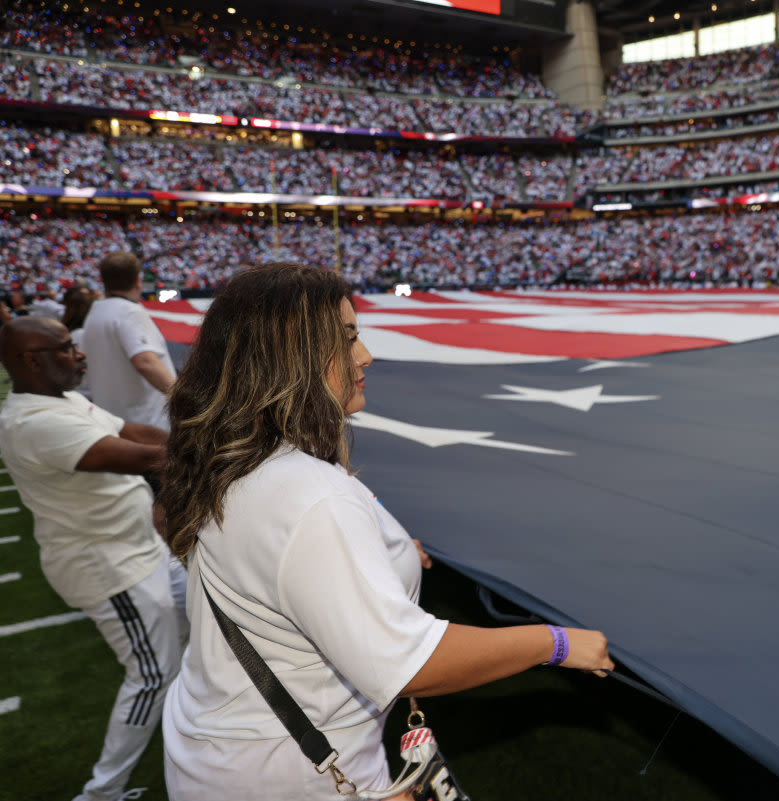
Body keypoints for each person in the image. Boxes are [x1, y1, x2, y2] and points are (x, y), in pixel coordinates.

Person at [159, 262, 613, 800]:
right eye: (347, 338)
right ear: (291, 359)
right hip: (289, 770)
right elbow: (407, 663)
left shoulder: (236, 459)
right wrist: (557, 643)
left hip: (222, 739)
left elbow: (207, 534)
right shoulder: (309, 494)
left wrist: (376, 554)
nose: (365, 355)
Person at [0, 316, 187, 801]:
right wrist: (226, 445)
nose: (79, 353)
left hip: (141, 550)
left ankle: (204, 735)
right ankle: (102, 793)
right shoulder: (33, 422)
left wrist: (194, 435)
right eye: (65, 348)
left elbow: (141, 433)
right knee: (151, 677)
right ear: (30, 361)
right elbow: (141, 458)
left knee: (205, 636)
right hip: (111, 568)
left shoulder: (61, 399)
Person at [80, 251, 176, 430]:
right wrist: (182, 397)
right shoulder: (129, 312)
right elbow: (145, 361)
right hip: (146, 423)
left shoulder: (95, 313)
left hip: (112, 419)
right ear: (137, 281)